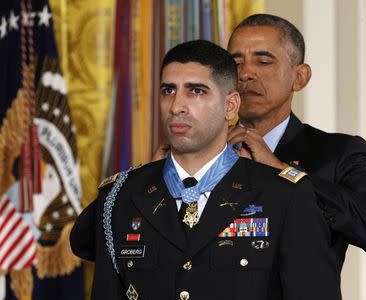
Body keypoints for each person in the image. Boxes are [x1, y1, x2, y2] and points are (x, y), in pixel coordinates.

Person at [70, 40, 340, 300]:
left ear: (230, 106)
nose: (177, 106)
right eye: (168, 90)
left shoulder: (283, 195)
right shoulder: (121, 194)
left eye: (196, 91)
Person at [226, 13, 366, 272]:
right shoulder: (204, 150)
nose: (245, 73)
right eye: (235, 62)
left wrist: (282, 170)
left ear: (300, 77)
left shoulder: (335, 153)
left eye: (263, 61)